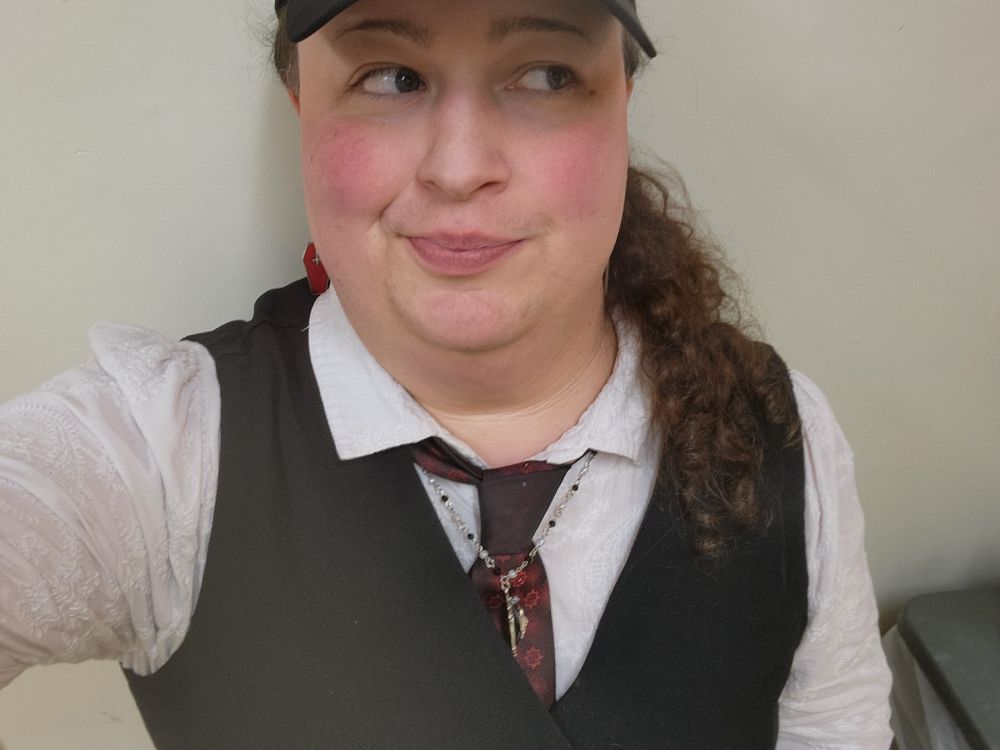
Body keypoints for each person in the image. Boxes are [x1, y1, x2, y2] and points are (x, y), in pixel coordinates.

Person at [0, 0, 892, 747]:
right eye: (392, 76)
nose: (461, 168)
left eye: (545, 74)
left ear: (622, 96)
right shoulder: (164, 455)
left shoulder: (782, 436)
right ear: (301, 101)